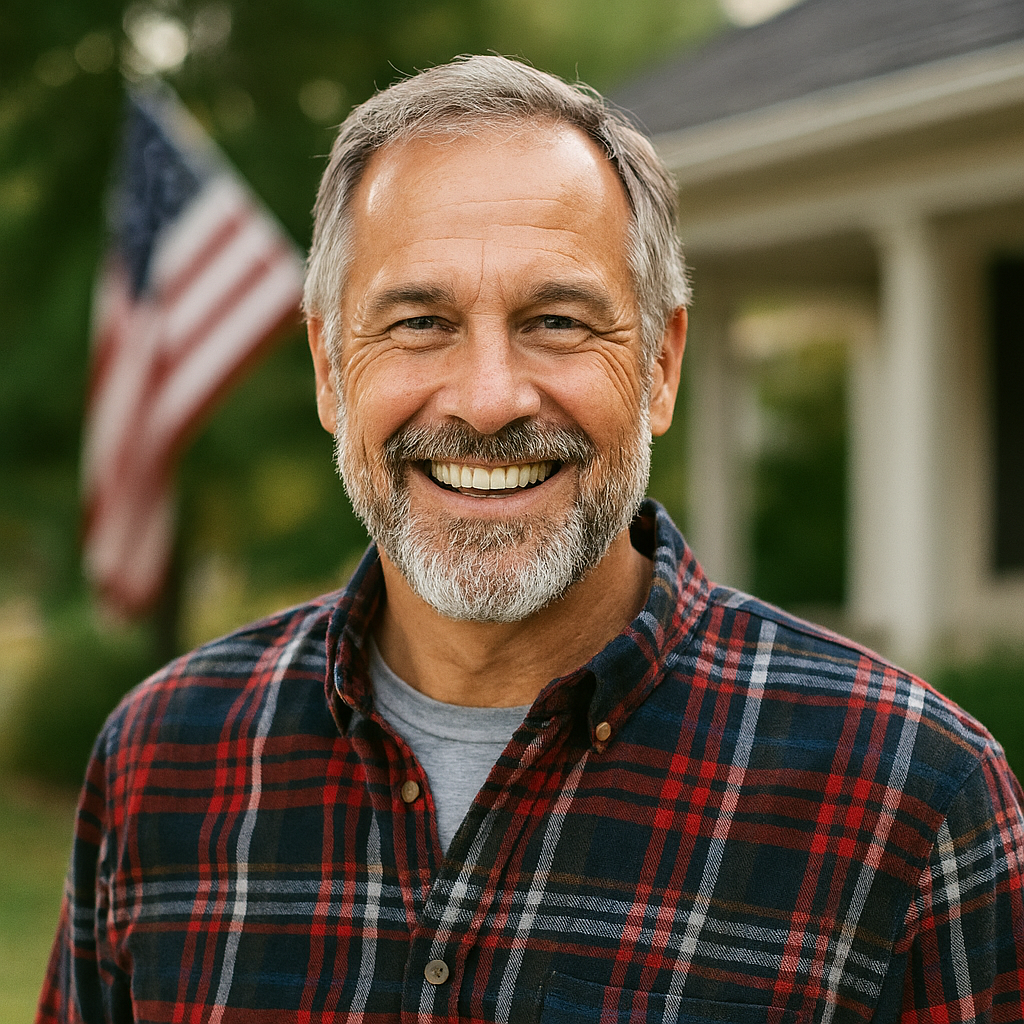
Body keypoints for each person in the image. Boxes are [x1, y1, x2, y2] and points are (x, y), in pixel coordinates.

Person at [39, 56, 1024, 1024]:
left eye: (555, 321)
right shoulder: (157, 764)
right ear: (331, 372)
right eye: (419, 322)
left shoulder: (912, 798)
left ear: (660, 366)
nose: (487, 398)